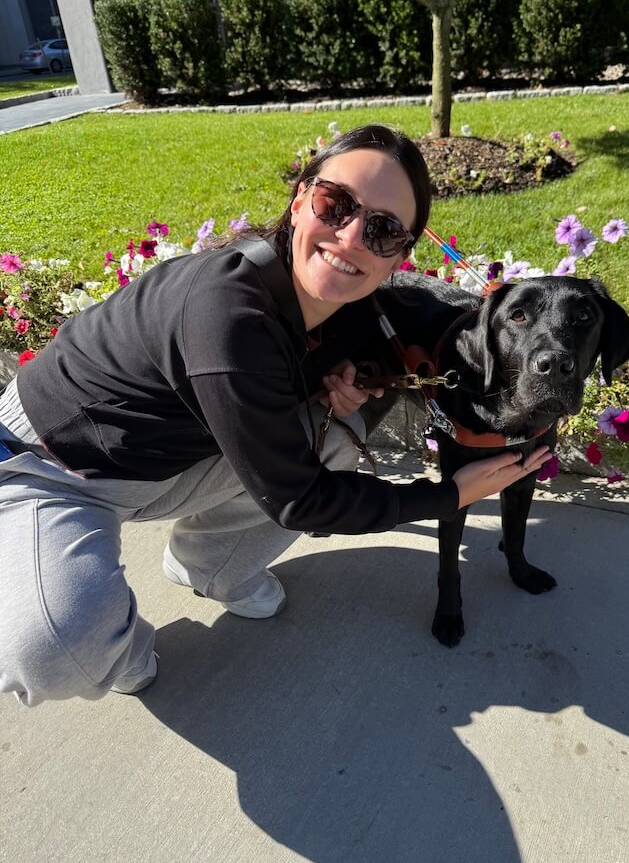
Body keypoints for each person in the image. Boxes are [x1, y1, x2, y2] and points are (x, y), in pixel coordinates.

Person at [0, 124, 550, 707]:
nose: (353, 236)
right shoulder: (225, 310)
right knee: (58, 650)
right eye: (335, 204)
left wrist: (326, 386)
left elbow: (284, 387)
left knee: (335, 432)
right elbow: (300, 500)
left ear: (401, 256)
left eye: (385, 229)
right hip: (52, 464)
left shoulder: (345, 306)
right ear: (299, 201)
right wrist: (450, 494)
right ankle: (118, 648)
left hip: (176, 455)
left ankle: (208, 568)